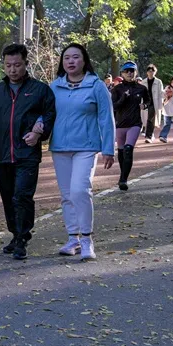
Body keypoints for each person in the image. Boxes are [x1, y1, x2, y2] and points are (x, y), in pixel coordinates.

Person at [0, 44, 56, 260]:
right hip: (2, 155)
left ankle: (21, 239)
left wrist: (38, 133)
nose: (12, 69)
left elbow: (49, 115)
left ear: (26, 64)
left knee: (22, 196)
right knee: (9, 197)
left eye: (17, 65)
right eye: (8, 65)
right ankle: (16, 233)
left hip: (27, 154)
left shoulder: (40, 90)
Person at [48, 44, 115, 261]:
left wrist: (108, 148)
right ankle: (73, 239)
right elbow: (45, 113)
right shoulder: (55, 86)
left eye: (75, 57)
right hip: (60, 147)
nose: (71, 61)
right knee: (67, 195)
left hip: (86, 147)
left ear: (84, 60)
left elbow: (106, 118)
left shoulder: (96, 86)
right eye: (67, 58)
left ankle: (87, 239)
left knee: (80, 191)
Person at [110, 61, 149, 191]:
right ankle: (123, 175)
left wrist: (145, 105)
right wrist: (123, 98)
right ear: (122, 73)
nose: (129, 73)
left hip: (135, 123)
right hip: (120, 124)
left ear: (136, 72)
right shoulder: (117, 89)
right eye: (126, 71)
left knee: (128, 149)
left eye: (132, 71)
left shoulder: (141, 88)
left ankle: (123, 180)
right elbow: (113, 106)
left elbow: (148, 100)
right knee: (121, 152)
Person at [140, 64, 163, 143]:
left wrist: (161, 104)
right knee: (145, 119)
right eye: (149, 71)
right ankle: (150, 134)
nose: (151, 73)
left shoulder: (158, 82)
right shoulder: (143, 82)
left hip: (154, 102)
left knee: (150, 119)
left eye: (152, 71)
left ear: (155, 72)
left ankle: (148, 136)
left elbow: (161, 93)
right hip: (145, 102)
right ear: (147, 72)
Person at [159, 76, 173, 143]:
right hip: (167, 108)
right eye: (172, 82)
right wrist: (167, 94)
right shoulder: (168, 88)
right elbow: (162, 95)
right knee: (167, 123)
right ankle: (163, 136)